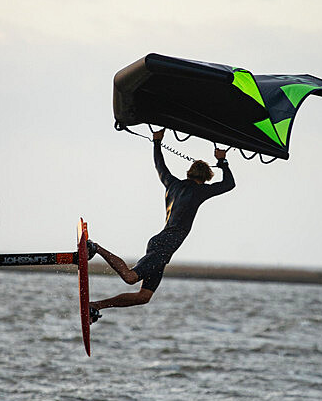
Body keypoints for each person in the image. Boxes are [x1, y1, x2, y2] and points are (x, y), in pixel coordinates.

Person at [88, 129, 235, 321]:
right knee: (131, 277)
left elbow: (160, 166)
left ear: (189, 173)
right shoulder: (200, 191)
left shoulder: (172, 184)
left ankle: (95, 306)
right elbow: (229, 184)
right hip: (165, 245)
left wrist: (157, 142)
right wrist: (223, 161)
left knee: (144, 297)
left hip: (161, 243)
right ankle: (95, 247)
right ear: (206, 178)